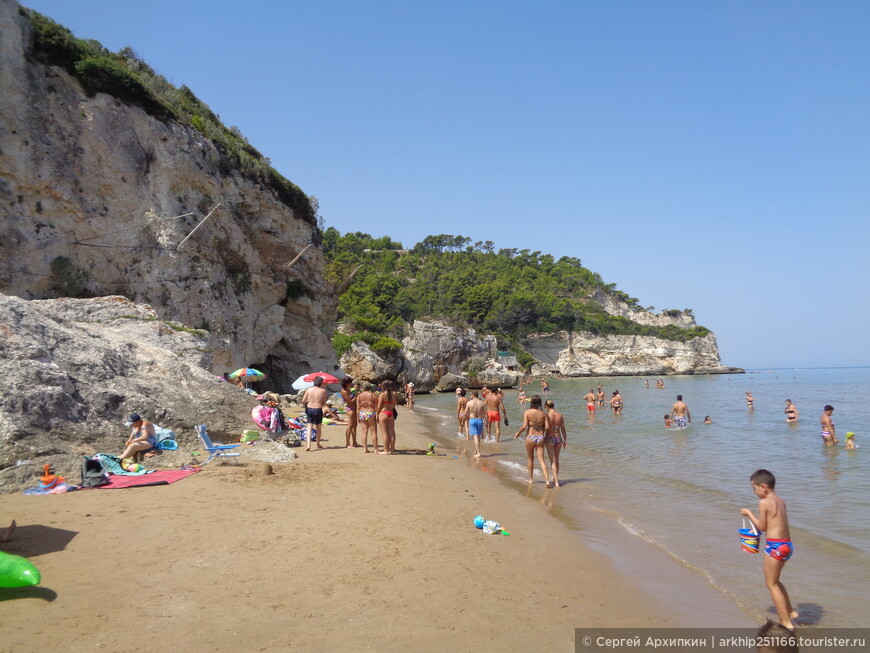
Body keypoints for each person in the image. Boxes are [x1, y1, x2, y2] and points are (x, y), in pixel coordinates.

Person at [741, 469, 798, 632]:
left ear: (764, 487)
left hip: (775, 547)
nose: (754, 492)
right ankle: (790, 612)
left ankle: (786, 622)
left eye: (754, 488)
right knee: (776, 581)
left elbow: (762, 527)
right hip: (787, 545)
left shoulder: (764, 502)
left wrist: (749, 514)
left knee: (771, 584)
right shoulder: (780, 500)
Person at [514, 395, 551, 487]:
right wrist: (541, 429)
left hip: (530, 437)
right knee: (542, 460)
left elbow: (524, 426)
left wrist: (518, 433)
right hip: (540, 437)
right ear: (540, 403)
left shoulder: (527, 412)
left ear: (532, 403)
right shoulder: (544, 414)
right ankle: (547, 480)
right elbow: (547, 427)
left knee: (530, 459)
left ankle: (530, 479)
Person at [544, 399, 567, 488]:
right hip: (559, 439)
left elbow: (545, 427)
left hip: (550, 438)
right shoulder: (560, 415)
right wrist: (565, 440)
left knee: (552, 461)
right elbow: (563, 429)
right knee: (556, 460)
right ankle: (555, 477)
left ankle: (556, 482)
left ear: (546, 406)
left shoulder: (547, 415)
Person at [301, 377, 328, 451]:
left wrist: (306, 407)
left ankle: (308, 444)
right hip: (318, 409)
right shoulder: (323, 391)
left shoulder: (309, 390)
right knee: (318, 428)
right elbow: (324, 403)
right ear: (321, 383)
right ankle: (318, 443)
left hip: (309, 409)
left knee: (309, 427)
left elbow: (303, 401)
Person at [377, 380, 399, 454]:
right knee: (392, 432)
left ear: (384, 387)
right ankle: (392, 450)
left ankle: (386, 450)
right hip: (391, 413)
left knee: (384, 433)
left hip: (383, 413)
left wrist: (377, 415)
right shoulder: (395, 394)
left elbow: (379, 407)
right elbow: (394, 404)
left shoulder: (382, 395)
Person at [356, 382, 378, 453]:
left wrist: (358, 417)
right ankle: (375, 449)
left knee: (364, 432)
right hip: (371, 413)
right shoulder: (373, 395)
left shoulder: (359, 396)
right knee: (373, 432)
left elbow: (358, 408)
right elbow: (376, 407)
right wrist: (377, 416)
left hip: (362, 413)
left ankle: (365, 449)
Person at [340, 377, 359, 448]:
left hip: (353, 408)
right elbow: (350, 402)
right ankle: (347, 443)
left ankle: (354, 442)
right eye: (350, 382)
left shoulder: (348, 389)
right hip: (350, 408)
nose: (351, 384)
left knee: (355, 425)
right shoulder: (344, 391)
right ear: (347, 383)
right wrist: (356, 397)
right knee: (349, 426)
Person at [466, 391, 486, 458]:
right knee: (478, 436)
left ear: (473, 395)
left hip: (473, 420)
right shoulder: (482, 403)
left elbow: (466, 413)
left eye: (470, 395)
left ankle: (478, 453)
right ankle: (476, 451)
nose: (470, 396)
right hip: (480, 420)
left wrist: (464, 418)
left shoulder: (469, 402)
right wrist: (487, 422)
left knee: (475, 436)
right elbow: (484, 414)